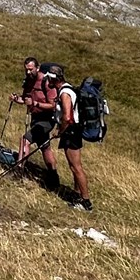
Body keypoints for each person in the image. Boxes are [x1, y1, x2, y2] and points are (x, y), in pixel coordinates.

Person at [16, 62, 64, 184]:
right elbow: (25, 99)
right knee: (45, 147)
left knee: (25, 140)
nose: (28, 72)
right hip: (35, 118)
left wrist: (35, 103)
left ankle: (18, 171)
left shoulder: (46, 82)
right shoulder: (29, 81)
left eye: (30, 69)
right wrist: (16, 99)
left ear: (37, 68)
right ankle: (53, 178)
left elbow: (53, 106)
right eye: (26, 70)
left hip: (46, 120)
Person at [53, 73, 92, 211]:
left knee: (76, 167)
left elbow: (67, 116)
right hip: (74, 131)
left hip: (71, 132)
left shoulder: (64, 93)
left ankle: (86, 202)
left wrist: (60, 131)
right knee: (74, 166)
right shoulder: (69, 88)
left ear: (54, 79)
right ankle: (76, 195)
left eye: (49, 80)